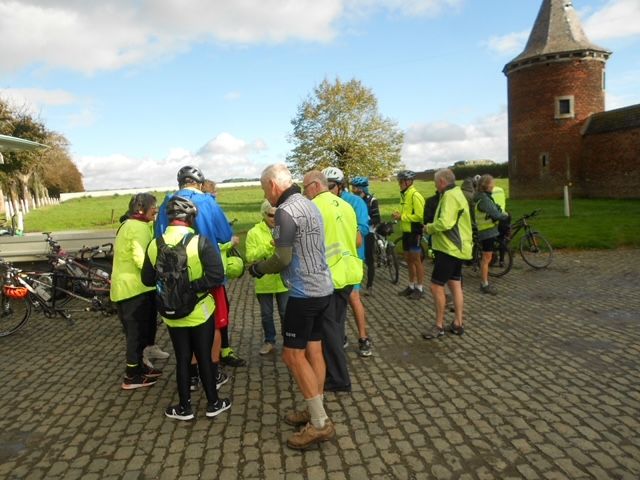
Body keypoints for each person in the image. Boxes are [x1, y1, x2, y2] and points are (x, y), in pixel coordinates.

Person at [248, 163, 336, 450]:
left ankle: (320, 423)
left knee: (292, 356)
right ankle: (314, 411)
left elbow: (283, 258)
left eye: (264, 189)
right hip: (324, 288)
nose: (266, 195)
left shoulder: (285, 212)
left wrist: (260, 268)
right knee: (314, 350)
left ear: (273, 186)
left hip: (303, 294)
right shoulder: (309, 204)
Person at [142, 196, 231, 420]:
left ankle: (184, 408)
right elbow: (217, 276)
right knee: (204, 355)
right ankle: (213, 403)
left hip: (172, 313)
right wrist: (192, 287)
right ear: (190, 218)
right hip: (200, 312)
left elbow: (146, 279)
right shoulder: (199, 242)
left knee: (182, 357)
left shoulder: (155, 244)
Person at [156, 166, 246, 381]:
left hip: (174, 278)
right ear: (198, 183)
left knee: (184, 325)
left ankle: (193, 374)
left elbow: (158, 237)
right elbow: (224, 235)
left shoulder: (166, 203)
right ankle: (213, 371)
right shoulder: (207, 202)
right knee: (212, 323)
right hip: (207, 275)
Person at [303, 170, 359, 390]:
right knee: (336, 325)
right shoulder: (345, 206)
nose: (305, 193)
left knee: (330, 330)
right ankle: (333, 371)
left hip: (329, 277)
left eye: (305, 188)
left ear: (316, 185)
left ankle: (338, 379)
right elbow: (355, 238)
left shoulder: (314, 207)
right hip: (349, 272)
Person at [111, 193, 163, 390]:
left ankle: (140, 368)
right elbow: (142, 259)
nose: (156, 210)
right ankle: (132, 375)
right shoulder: (138, 228)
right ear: (142, 209)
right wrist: (161, 274)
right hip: (133, 289)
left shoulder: (130, 224)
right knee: (135, 334)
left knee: (139, 333)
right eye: (154, 207)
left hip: (129, 288)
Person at [321, 167, 373, 357]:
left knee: (353, 298)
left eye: (331, 186)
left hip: (350, 258)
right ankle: (338, 336)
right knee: (333, 303)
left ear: (341, 186)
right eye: (325, 186)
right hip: (331, 260)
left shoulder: (355, 202)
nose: (328, 189)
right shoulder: (324, 202)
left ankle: (363, 337)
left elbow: (363, 230)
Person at [423, 168, 473, 339]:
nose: (435, 186)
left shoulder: (450, 196)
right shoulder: (458, 193)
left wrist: (429, 228)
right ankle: (458, 323)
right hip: (458, 248)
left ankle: (439, 326)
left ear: (442, 182)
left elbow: (445, 223)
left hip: (448, 248)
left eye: (436, 182)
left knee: (436, 286)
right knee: (455, 285)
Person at [245, 200, 289, 355]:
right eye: (271, 215)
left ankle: (288, 341)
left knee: (285, 312)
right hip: (264, 282)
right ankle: (269, 341)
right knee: (266, 314)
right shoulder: (253, 232)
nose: (274, 218)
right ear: (264, 214)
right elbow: (250, 256)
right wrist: (268, 245)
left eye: (278, 215)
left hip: (283, 280)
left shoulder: (283, 229)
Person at [473, 174, 509, 295]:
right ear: (486, 185)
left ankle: (484, 282)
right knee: (486, 259)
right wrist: (505, 215)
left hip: (486, 230)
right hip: (486, 232)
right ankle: (484, 284)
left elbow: (494, 208)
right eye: (491, 183)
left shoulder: (482, 197)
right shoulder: (484, 199)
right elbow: (495, 213)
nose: (493, 185)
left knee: (487, 258)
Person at [392, 170, 426, 300]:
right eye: (399, 181)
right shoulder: (405, 194)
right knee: (408, 259)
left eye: (401, 181)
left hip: (415, 231)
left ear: (408, 182)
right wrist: (398, 214)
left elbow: (420, 216)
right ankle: (411, 286)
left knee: (416, 260)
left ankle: (420, 288)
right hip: (406, 231)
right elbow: (406, 211)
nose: (399, 184)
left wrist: (402, 216)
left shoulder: (415, 195)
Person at [350, 176, 380, 296]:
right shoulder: (352, 200)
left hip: (368, 232)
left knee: (369, 259)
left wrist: (364, 222)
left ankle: (370, 286)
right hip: (355, 232)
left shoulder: (372, 200)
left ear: (362, 189)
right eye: (353, 187)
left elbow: (377, 218)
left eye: (356, 188)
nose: (354, 190)